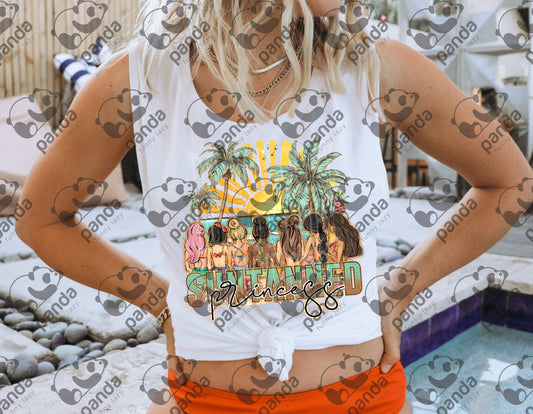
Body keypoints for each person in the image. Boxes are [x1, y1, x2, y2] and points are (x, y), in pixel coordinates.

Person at [14, 1, 533, 413]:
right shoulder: (139, 78)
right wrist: (159, 301)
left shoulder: (376, 64)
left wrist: (400, 290)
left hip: (362, 397)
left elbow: (509, 183)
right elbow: (40, 217)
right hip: (210, 401)